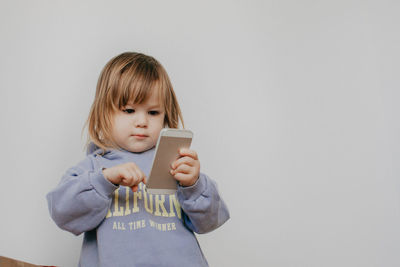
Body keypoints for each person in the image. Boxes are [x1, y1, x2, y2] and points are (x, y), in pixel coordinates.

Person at [46, 52, 230, 267]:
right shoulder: (94, 166)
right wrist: (104, 180)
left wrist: (194, 184)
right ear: (104, 112)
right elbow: (62, 213)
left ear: (165, 115)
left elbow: (211, 222)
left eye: (153, 112)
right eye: (129, 110)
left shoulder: (175, 162)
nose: (142, 121)